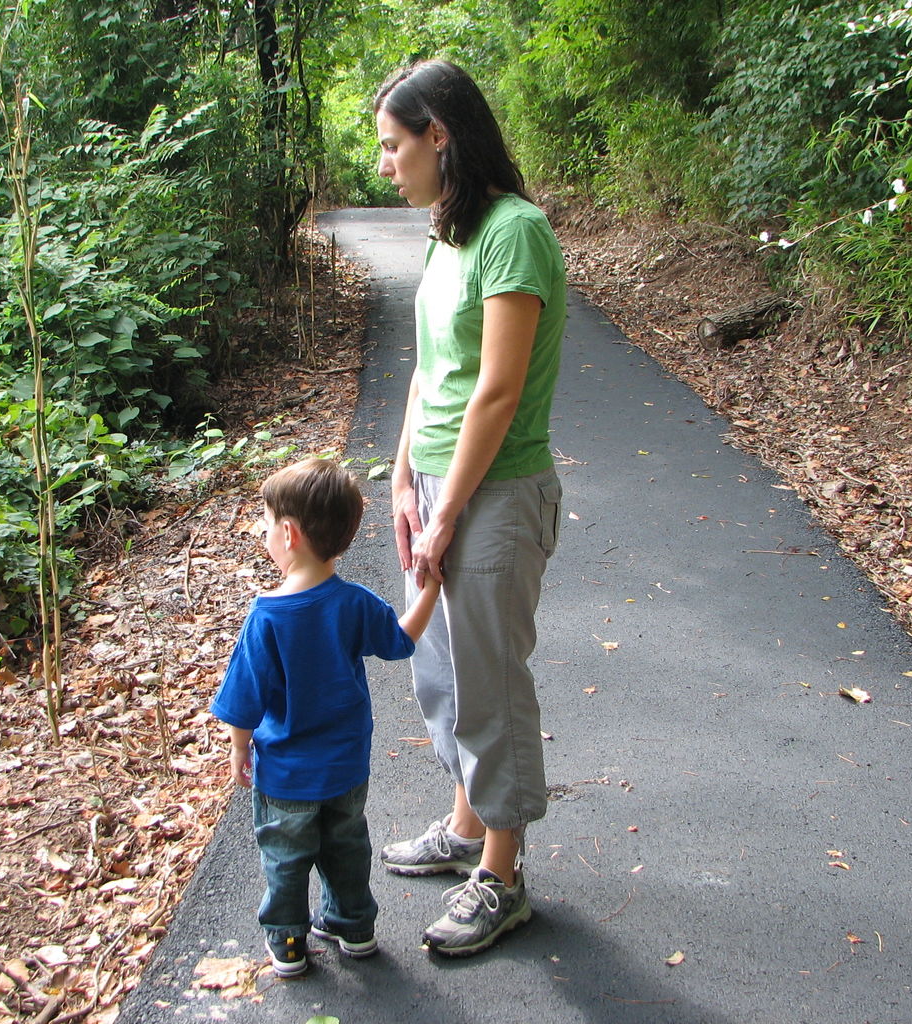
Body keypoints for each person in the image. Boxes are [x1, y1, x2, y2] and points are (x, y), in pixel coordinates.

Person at [372, 59, 566, 957]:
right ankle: (462, 829)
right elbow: (428, 372)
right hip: (439, 486)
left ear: (437, 136)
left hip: (494, 490)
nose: (384, 165)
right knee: (443, 676)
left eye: (391, 145)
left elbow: (495, 389)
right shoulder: (447, 235)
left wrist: (448, 509)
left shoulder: (513, 233)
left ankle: (504, 871)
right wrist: (404, 484)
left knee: (488, 682)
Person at [211, 456, 442, 978]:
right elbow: (401, 640)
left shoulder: (266, 615)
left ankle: (288, 942)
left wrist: (238, 750)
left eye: (267, 525)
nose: (264, 534)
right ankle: (353, 925)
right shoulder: (354, 602)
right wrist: (430, 588)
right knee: (345, 847)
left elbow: (243, 700)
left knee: (285, 859)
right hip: (345, 767)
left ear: (289, 534)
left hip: (287, 776)